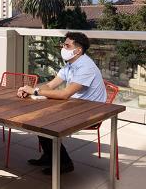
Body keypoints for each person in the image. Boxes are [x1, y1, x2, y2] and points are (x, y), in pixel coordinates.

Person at [17, 32, 106, 175]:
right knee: (38, 119)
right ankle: (49, 156)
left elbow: (65, 94)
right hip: (77, 105)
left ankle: (65, 163)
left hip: (92, 111)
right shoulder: (70, 65)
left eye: (67, 45)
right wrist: (31, 90)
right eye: (64, 44)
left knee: (45, 120)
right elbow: (51, 85)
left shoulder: (86, 67)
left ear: (78, 50)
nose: (63, 48)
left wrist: (35, 92)